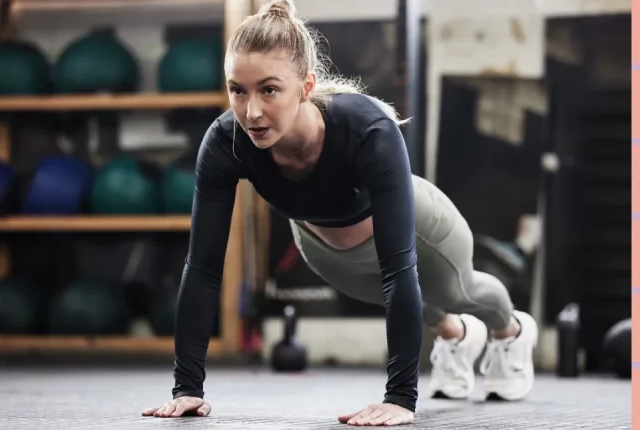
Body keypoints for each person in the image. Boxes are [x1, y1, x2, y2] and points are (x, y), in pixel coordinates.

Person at [142, 0, 538, 426]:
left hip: (421, 228)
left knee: (460, 292)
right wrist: (187, 389)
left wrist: (400, 399)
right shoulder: (226, 142)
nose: (252, 111)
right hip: (323, 245)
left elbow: (399, 265)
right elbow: (202, 268)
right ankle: (457, 336)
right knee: (407, 303)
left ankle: (508, 331)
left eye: (269, 90)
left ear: (307, 86)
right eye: (238, 90)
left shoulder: (365, 129)